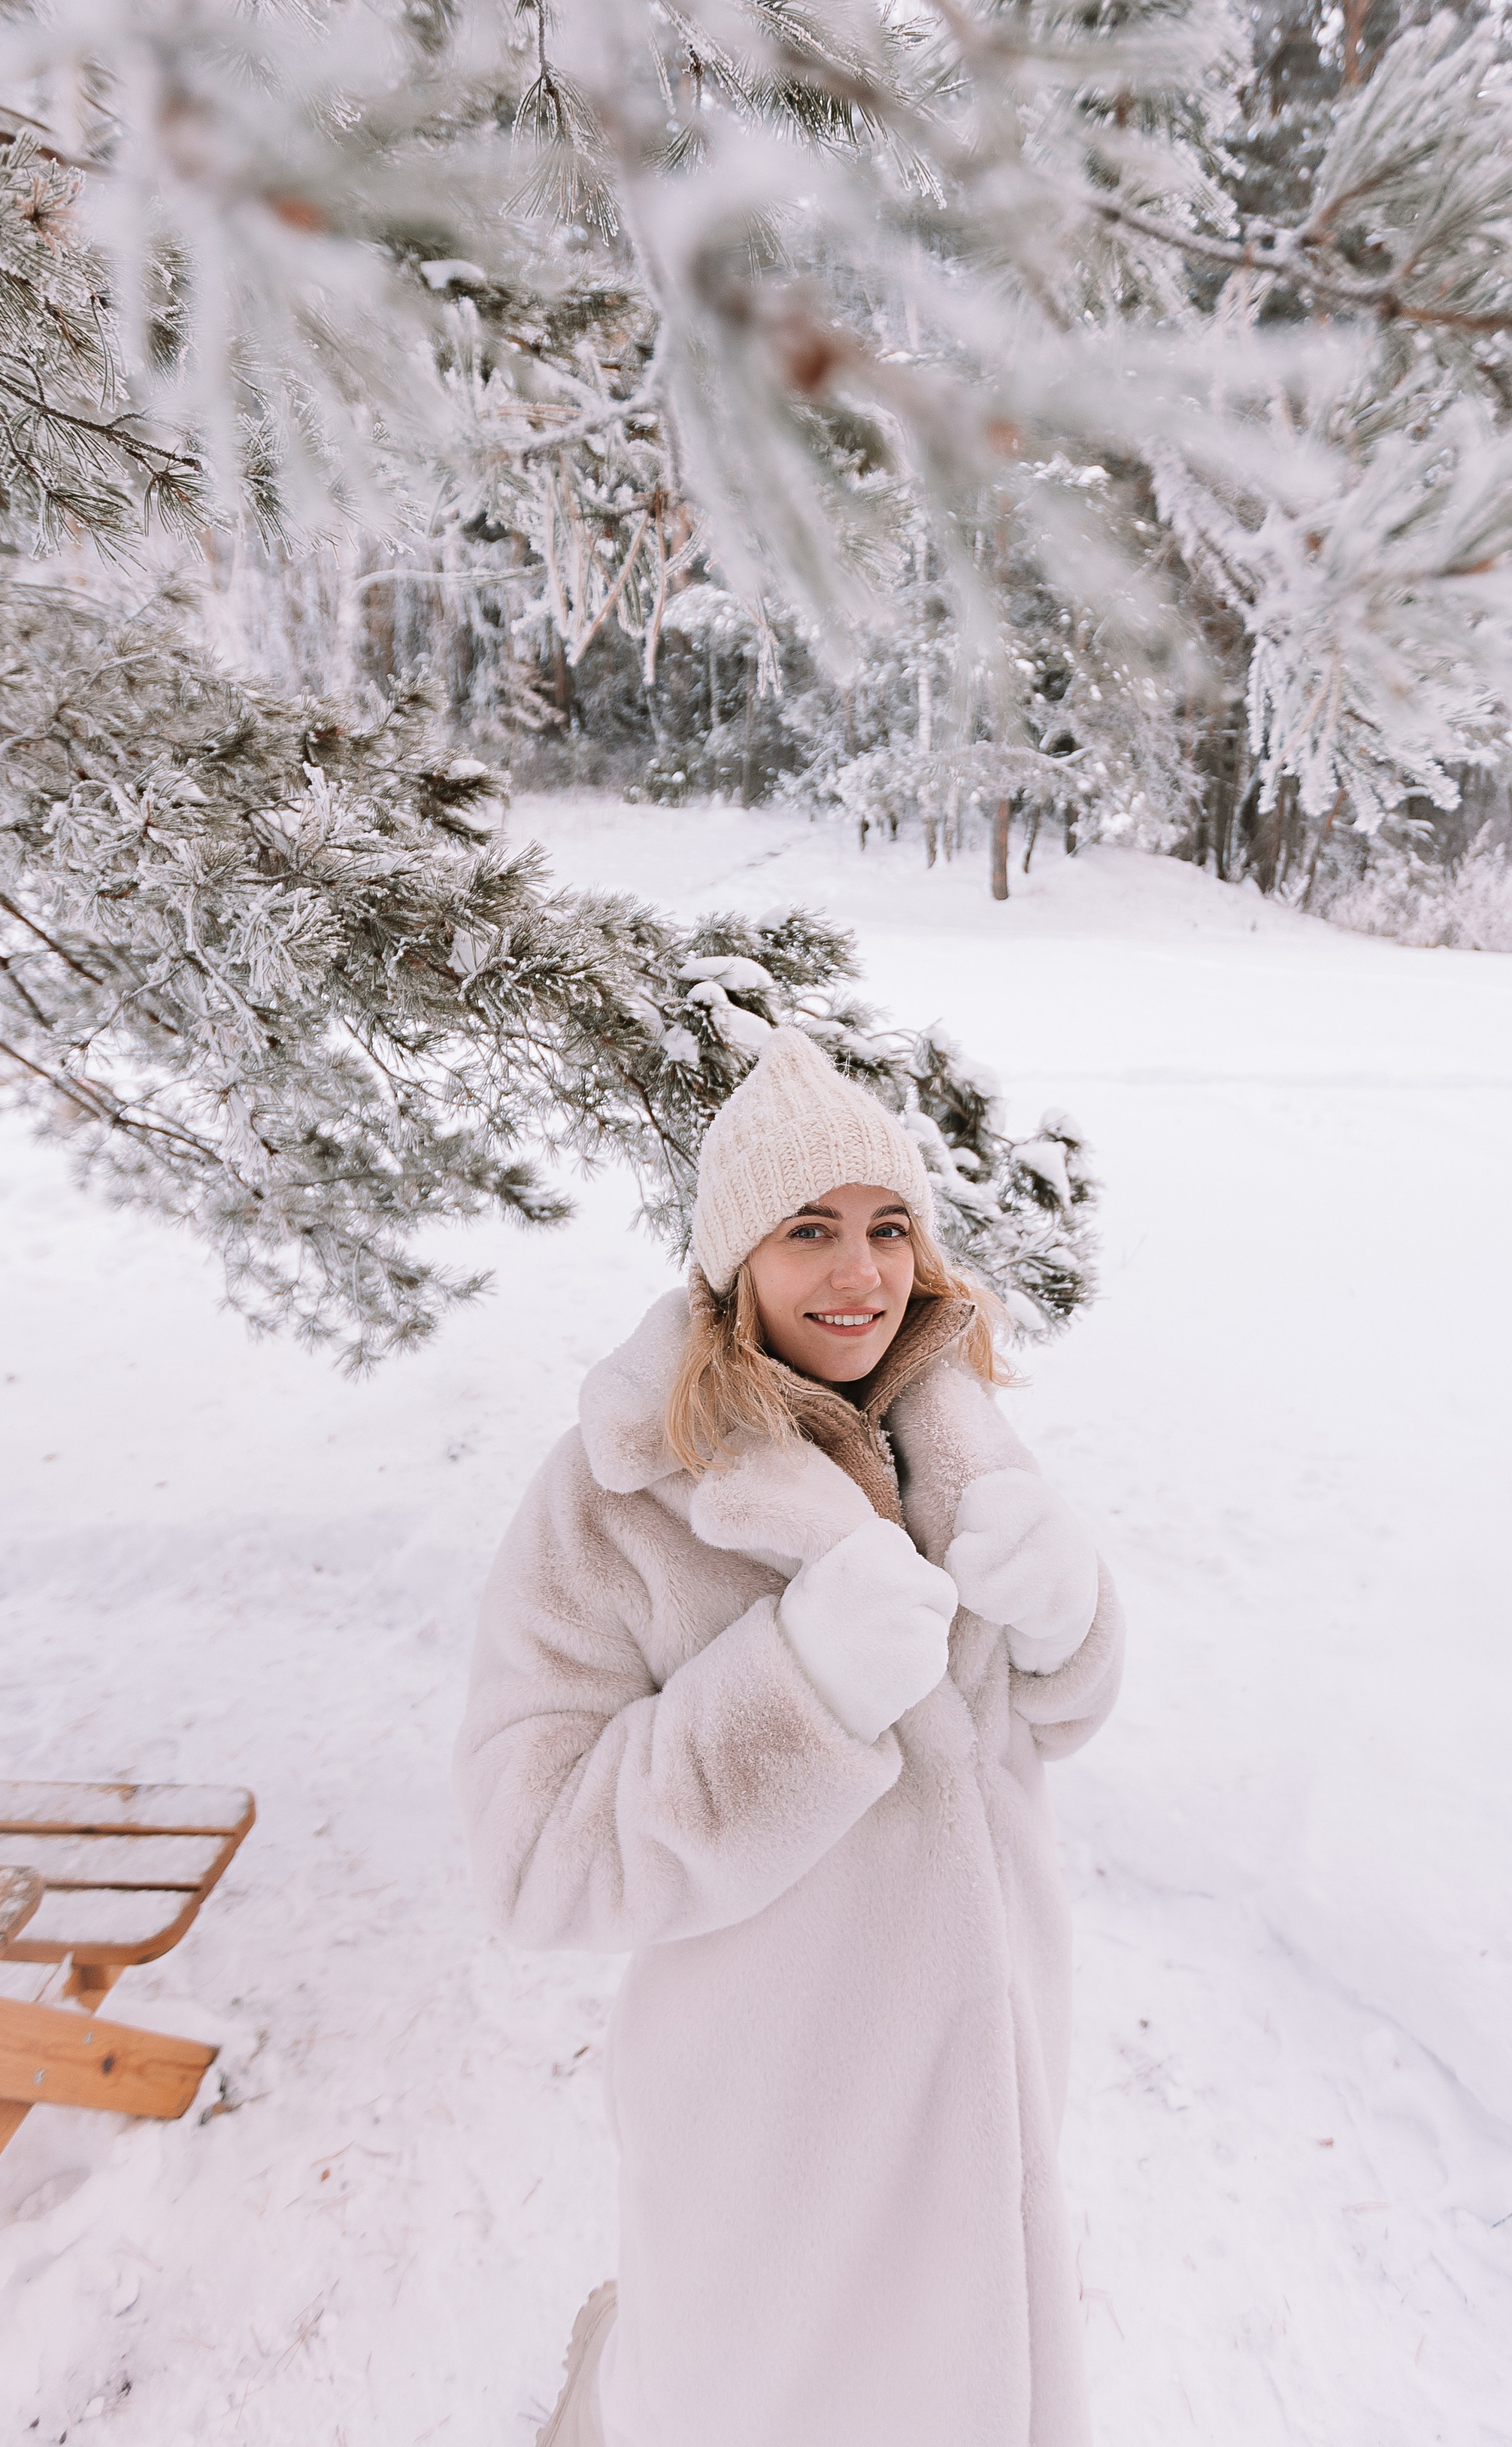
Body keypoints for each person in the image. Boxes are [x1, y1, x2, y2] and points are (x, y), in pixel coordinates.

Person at [455, 1025, 1125, 2447]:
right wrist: (797, 1695)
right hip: (775, 2128)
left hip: (986, 2085)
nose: (861, 1273)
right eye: (808, 1230)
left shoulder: (953, 1429)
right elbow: (532, 1859)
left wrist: (1075, 1619)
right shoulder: (615, 1495)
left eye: (889, 1228)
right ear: (728, 1263)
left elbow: (1046, 1725)